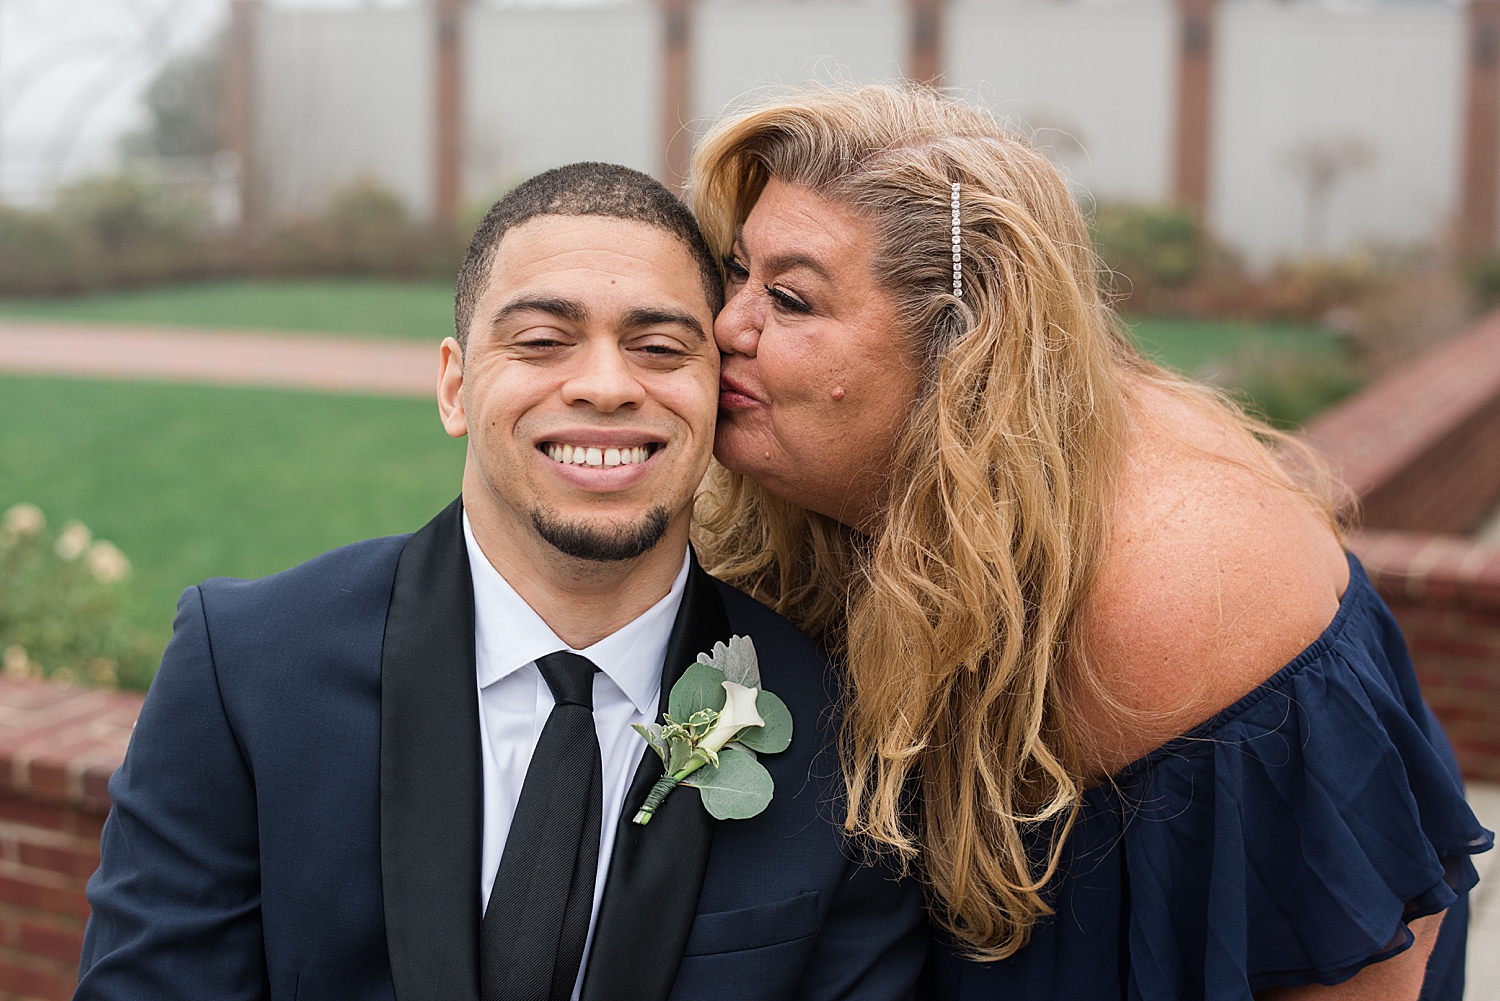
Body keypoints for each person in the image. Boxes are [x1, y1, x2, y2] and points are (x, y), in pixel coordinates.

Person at [688, 85, 1493, 1000]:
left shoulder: (1167, 598)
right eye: (735, 271)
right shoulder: (943, 485)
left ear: (964, 345)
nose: (726, 325)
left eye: (789, 298)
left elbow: (1366, 962)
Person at [75, 162, 926, 1001]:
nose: (604, 386)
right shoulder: (246, 671)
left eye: (660, 348)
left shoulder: (841, 735)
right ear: (453, 385)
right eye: (542, 341)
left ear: (718, 391)